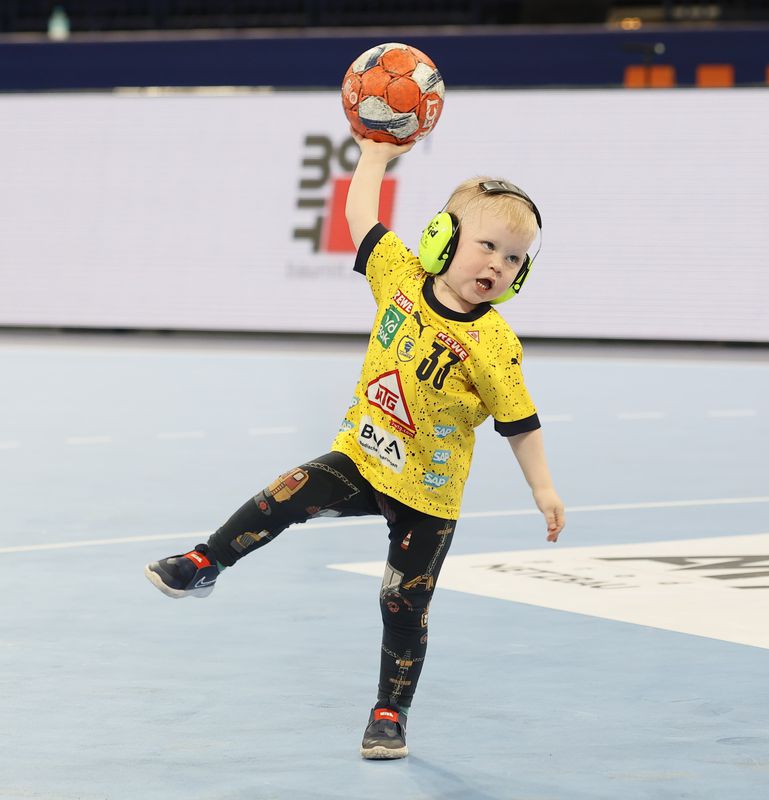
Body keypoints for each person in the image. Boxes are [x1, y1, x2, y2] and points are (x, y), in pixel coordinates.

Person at [143, 130, 565, 760]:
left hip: (428, 496)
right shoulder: (400, 276)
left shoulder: (495, 344)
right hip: (362, 461)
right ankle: (206, 562)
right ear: (442, 237)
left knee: (404, 604)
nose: (497, 266)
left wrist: (543, 488)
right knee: (286, 493)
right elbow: (361, 217)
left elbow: (520, 423)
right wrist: (373, 157)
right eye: (487, 246)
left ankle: (389, 714)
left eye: (513, 259)